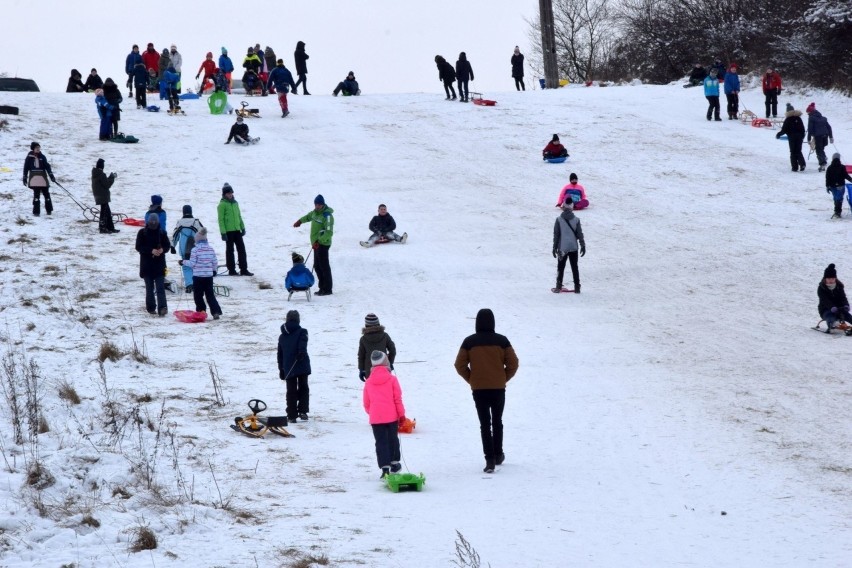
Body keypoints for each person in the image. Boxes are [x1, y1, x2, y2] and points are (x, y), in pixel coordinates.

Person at [454, 308, 519, 474]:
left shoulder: (469, 342)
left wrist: (472, 379)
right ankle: (498, 454)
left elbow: (459, 365)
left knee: (485, 424)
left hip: (479, 389)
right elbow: (513, 363)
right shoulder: (502, 341)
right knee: (497, 421)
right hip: (498, 388)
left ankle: (489, 459)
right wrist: (503, 378)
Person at [363, 350, 406, 478]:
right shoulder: (392, 380)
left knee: (380, 442)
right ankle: (394, 463)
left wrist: (372, 412)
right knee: (392, 439)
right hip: (391, 416)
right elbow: (397, 399)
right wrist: (401, 415)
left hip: (376, 418)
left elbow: (366, 402)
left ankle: (385, 468)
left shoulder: (369, 382)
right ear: (385, 362)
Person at [293, 195, 334, 295]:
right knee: (317, 266)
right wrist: (300, 221)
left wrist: (319, 241)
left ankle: (327, 289)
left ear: (323, 204)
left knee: (324, 266)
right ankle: (322, 288)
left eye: (319, 204)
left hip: (323, 244)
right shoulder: (315, 213)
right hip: (316, 244)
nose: (317, 206)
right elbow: (308, 217)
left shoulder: (327, 216)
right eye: (316, 204)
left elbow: (329, 232)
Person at [179, 227, 222, 319]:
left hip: (198, 277)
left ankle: (201, 311)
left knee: (198, 296)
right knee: (210, 295)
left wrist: (183, 262)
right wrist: (214, 270)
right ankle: (215, 312)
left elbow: (192, 263)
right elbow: (214, 262)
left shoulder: (195, 250)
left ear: (197, 240)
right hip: (208, 276)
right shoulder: (211, 249)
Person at [278, 310, 312, 422]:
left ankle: (291, 415)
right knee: (303, 387)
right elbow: (303, 343)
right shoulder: (302, 331)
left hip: (288, 366)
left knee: (290, 390)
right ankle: (303, 411)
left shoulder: (282, 336)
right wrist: (301, 352)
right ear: (298, 320)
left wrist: (281, 369)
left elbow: (280, 354)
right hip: (301, 364)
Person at [135, 212, 171, 316]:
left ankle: (162, 308)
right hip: (147, 265)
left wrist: (162, 250)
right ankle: (151, 308)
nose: (153, 223)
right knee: (149, 288)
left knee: (160, 288)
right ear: (148, 221)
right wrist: (151, 250)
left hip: (159, 265)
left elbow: (167, 246)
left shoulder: (162, 233)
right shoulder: (142, 233)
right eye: (152, 221)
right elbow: (138, 247)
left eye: (155, 221)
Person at [217, 183, 252, 276]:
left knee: (241, 250)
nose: (230, 194)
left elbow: (239, 216)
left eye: (231, 193)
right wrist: (223, 233)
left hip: (237, 230)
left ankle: (244, 269)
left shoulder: (235, 203)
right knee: (230, 251)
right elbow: (221, 220)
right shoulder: (222, 205)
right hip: (228, 231)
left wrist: (242, 227)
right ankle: (231, 270)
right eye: (228, 193)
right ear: (224, 194)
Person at [553, 199, 586, 293]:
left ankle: (558, 286)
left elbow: (556, 235)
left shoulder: (559, 220)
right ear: (572, 207)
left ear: (563, 207)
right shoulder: (576, 220)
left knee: (560, 267)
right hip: (573, 247)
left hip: (562, 247)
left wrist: (554, 247)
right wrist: (583, 245)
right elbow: (580, 234)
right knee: (575, 268)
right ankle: (577, 287)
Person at [171, 205, 204, 291]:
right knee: (197, 264)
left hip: (184, 247)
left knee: (186, 265)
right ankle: (198, 283)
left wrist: (172, 246)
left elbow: (175, 235)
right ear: (191, 211)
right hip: (196, 247)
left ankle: (189, 284)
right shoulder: (196, 222)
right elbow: (202, 233)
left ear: (183, 212)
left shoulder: (180, 222)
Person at [358, 313, 397, 381]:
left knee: (373, 390)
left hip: (369, 371)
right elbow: (392, 350)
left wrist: (362, 370)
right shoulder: (385, 336)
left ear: (366, 325)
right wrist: (389, 362)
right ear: (378, 324)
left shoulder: (363, 339)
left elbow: (361, 356)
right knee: (386, 387)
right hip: (384, 369)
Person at [22, 142, 56, 216]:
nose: (38, 149)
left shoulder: (42, 157)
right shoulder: (29, 158)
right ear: (33, 149)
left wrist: (51, 176)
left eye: (39, 148)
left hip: (43, 177)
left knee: (47, 195)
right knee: (36, 196)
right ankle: (36, 212)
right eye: (36, 148)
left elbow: (47, 167)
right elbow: (26, 168)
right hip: (34, 179)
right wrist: (24, 177)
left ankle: (49, 210)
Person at [818, 264, 852, 333]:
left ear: (835, 278)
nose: (831, 280)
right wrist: (832, 307)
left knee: (848, 316)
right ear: (825, 279)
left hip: (840, 308)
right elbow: (825, 300)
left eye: (833, 278)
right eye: (829, 279)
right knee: (830, 317)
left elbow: (843, 297)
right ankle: (833, 326)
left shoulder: (839, 286)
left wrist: (846, 305)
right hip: (826, 309)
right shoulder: (821, 288)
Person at [775, 103, 806, 172]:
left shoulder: (788, 119)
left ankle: (795, 167)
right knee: (798, 151)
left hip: (792, 138)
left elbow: (784, 130)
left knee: (793, 152)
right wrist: (802, 136)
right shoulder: (798, 118)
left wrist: (778, 134)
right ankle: (802, 164)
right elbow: (803, 129)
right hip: (799, 137)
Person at [91, 158, 118, 233]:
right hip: (103, 196)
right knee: (104, 213)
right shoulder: (101, 174)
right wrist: (112, 177)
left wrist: (109, 177)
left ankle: (110, 227)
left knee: (107, 212)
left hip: (99, 196)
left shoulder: (96, 173)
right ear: (102, 166)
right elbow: (107, 185)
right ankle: (103, 228)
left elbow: (104, 183)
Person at [806, 102, 833, 172]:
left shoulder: (811, 118)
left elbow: (810, 129)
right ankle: (824, 157)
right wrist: (831, 137)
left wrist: (809, 139)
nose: (808, 114)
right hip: (825, 136)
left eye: (808, 113)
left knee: (818, 150)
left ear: (810, 112)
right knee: (821, 148)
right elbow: (829, 127)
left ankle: (822, 163)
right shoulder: (823, 118)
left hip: (818, 136)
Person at [825, 153, 852, 219]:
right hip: (840, 186)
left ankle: (837, 211)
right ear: (839, 159)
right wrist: (851, 180)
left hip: (832, 186)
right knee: (839, 199)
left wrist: (827, 186)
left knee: (836, 198)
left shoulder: (829, 168)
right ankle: (837, 212)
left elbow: (827, 178)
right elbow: (846, 175)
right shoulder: (842, 167)